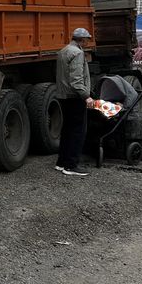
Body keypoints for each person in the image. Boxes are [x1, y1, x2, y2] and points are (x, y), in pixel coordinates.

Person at [55, 27, 94, 176]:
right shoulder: (77, 53)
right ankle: (71, 165)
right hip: (74, 97)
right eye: (87, 40)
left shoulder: (64, 50)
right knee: (78, 132)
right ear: (82, 40)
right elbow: (77, 80)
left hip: (63, 96)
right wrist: (86, 96)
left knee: (67, 130)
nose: (87, 42)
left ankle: (61, 162)